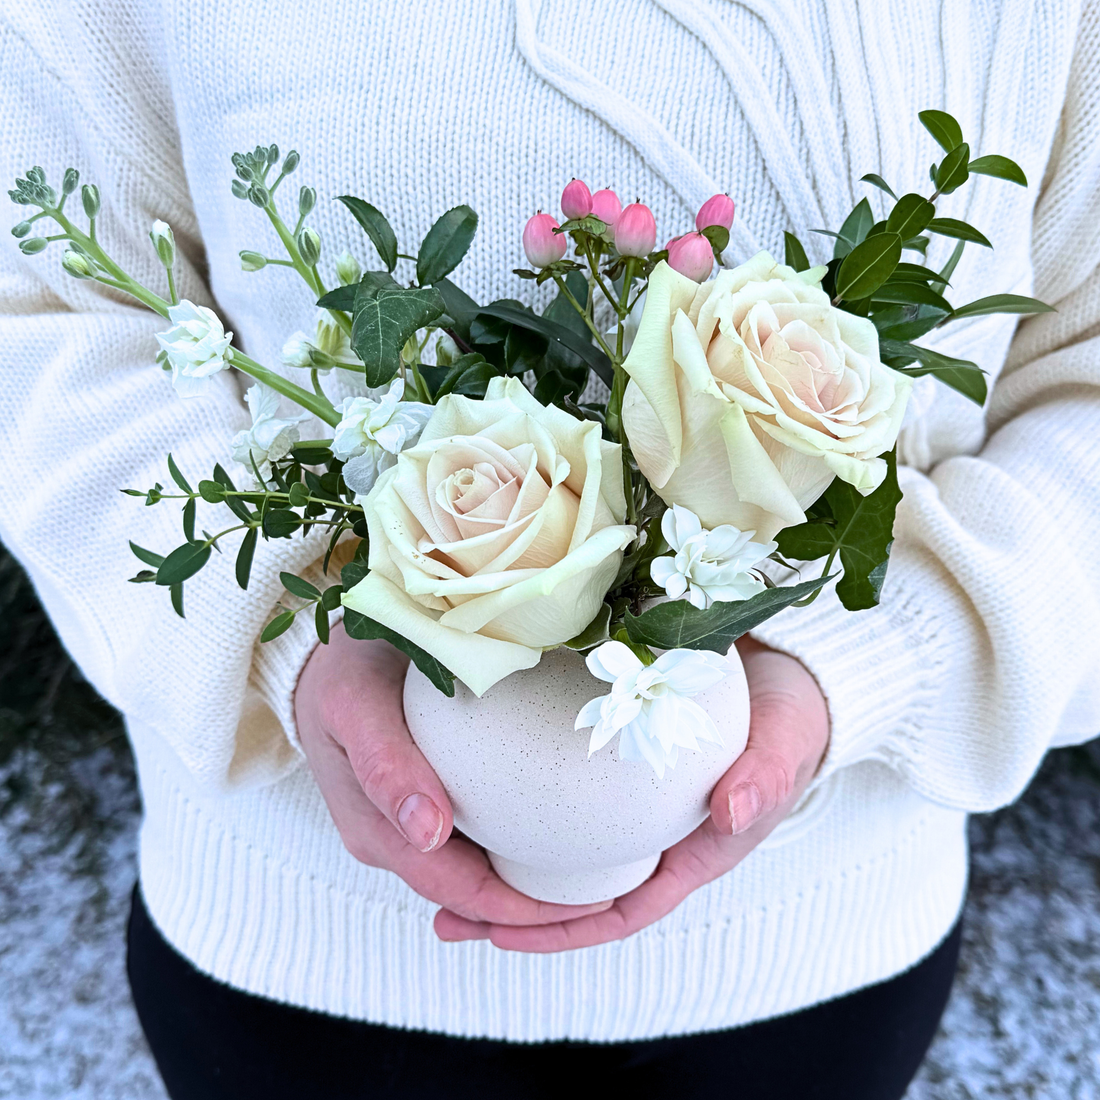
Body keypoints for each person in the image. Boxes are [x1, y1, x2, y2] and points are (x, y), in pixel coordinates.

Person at [2, 1, 1099, 1097]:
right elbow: (46, 309)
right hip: (298, 983)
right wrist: (288, 639)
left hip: (818, 976)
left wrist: (873, 662)